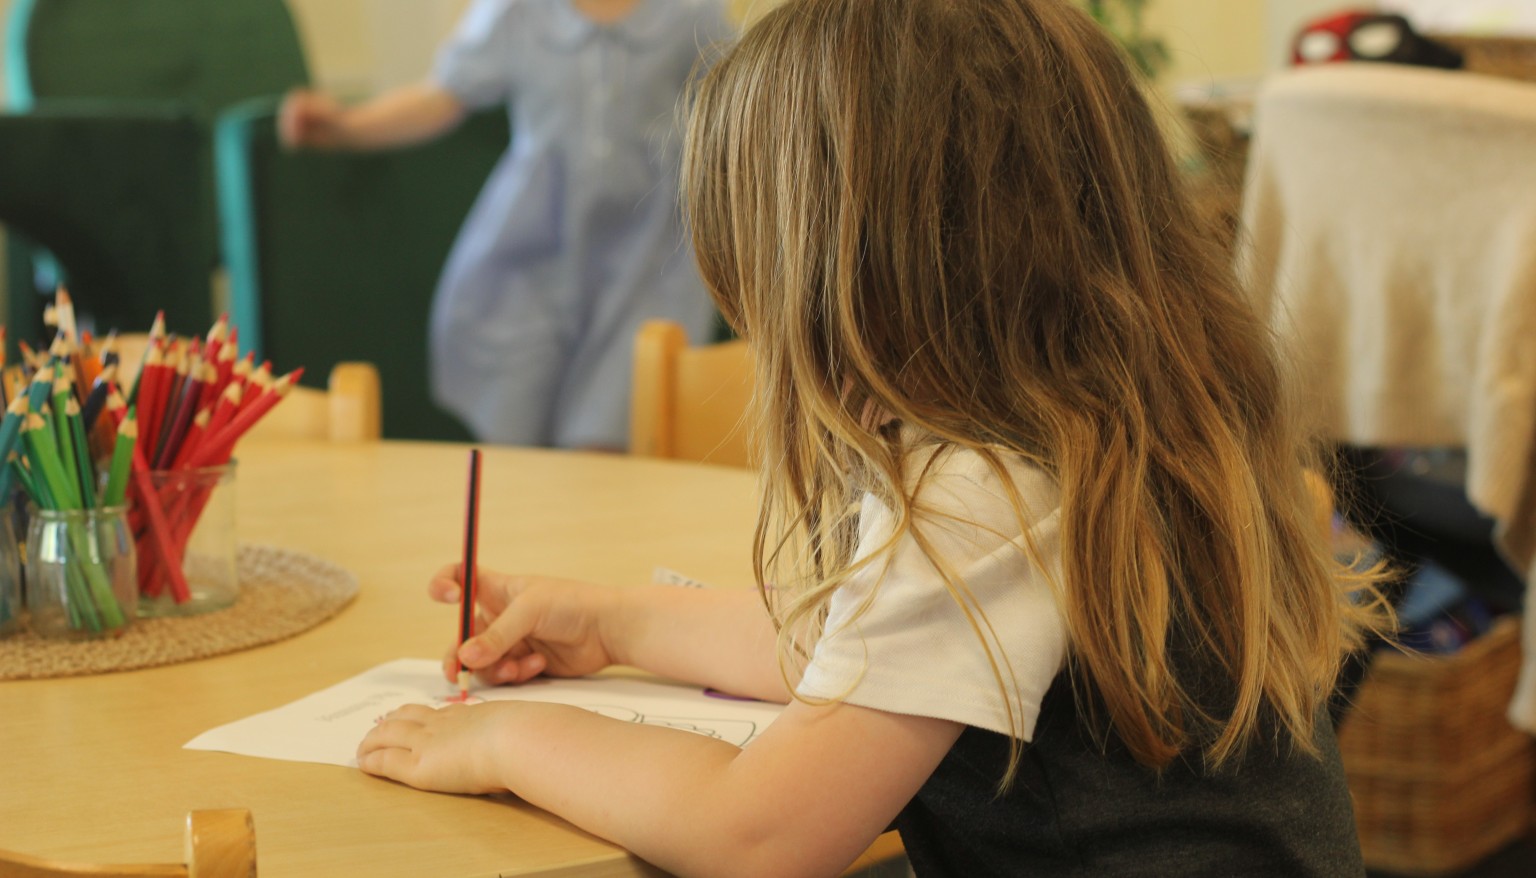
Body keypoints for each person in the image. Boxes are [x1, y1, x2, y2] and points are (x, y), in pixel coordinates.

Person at [357, 1, 1394, 875]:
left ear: (861, 276)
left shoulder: (984, 481)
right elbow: (876, 649)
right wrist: (611, 622)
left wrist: (505, 735)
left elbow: (757, 833)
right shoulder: (1095, 421)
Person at [279, 0, 733, 449]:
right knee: (517, 415)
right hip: (534, 252)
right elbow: (440, 96)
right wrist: (347, 125)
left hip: (645, 260)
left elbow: (735, 97)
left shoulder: (689, 11)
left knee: (612, 424)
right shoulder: (515, 11)